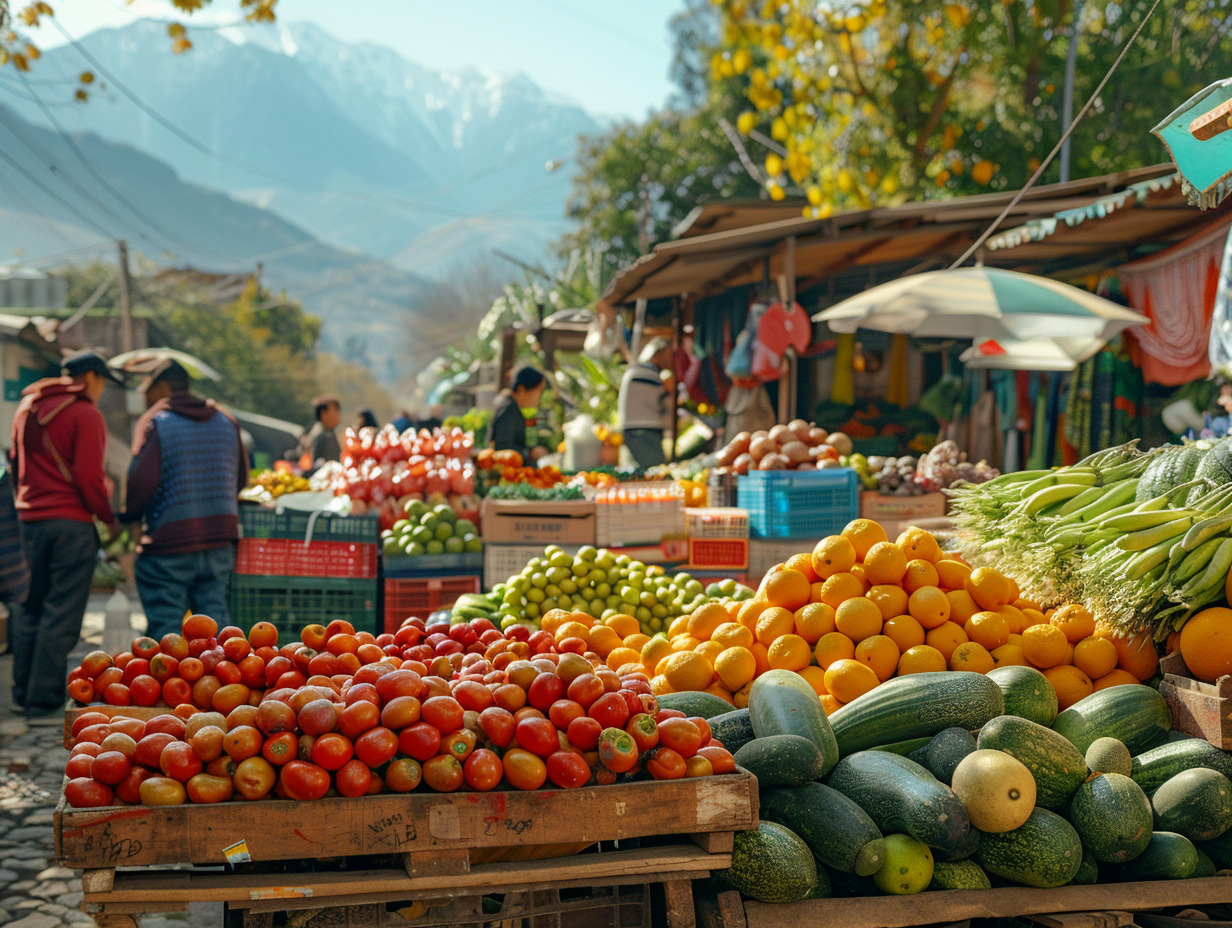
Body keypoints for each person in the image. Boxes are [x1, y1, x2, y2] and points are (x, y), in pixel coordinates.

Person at [8, 350, 122, 722]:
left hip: (26, 522)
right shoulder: (85, 413)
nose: (101, 390)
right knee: (61, 612)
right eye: (102, 382)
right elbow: (90, 477)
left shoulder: (26, 407)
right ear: (90, 377)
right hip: (70, 524)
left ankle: (22, 695)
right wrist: (109, 519)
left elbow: (13, 464)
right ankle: (44, 701)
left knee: (27, 607)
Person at [122, 359, 248, 642]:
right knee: (214, 634)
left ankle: (164, 685)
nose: (144, 397)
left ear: (163, 387)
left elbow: (142, 482)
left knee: (167, 631)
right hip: (219, 542)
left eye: (148, 390)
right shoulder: (226, 421)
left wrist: (129, 516)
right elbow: (240, 480)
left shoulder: (160, 424)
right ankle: (219, 685)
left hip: (170, 546)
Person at [618, 337, 674, 468]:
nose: (672, 360)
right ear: (659, 354)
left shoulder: (639, 370)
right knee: (657, 473)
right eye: (669, 354)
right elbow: (662, 402)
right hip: (642, 431)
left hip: (639, 430)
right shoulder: (646, 372)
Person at [490, 366, 548, 463]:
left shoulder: (512, 405)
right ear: (521, 389)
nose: (539, 398)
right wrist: (529, 453)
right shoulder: (508, 409)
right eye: (539, 391)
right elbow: (502, 448)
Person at [302, 394, 341, 469]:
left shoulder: (329, 431)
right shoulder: (321, 434)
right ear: (323, 414)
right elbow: (316, 464)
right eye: (335, 410)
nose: (338, 414)